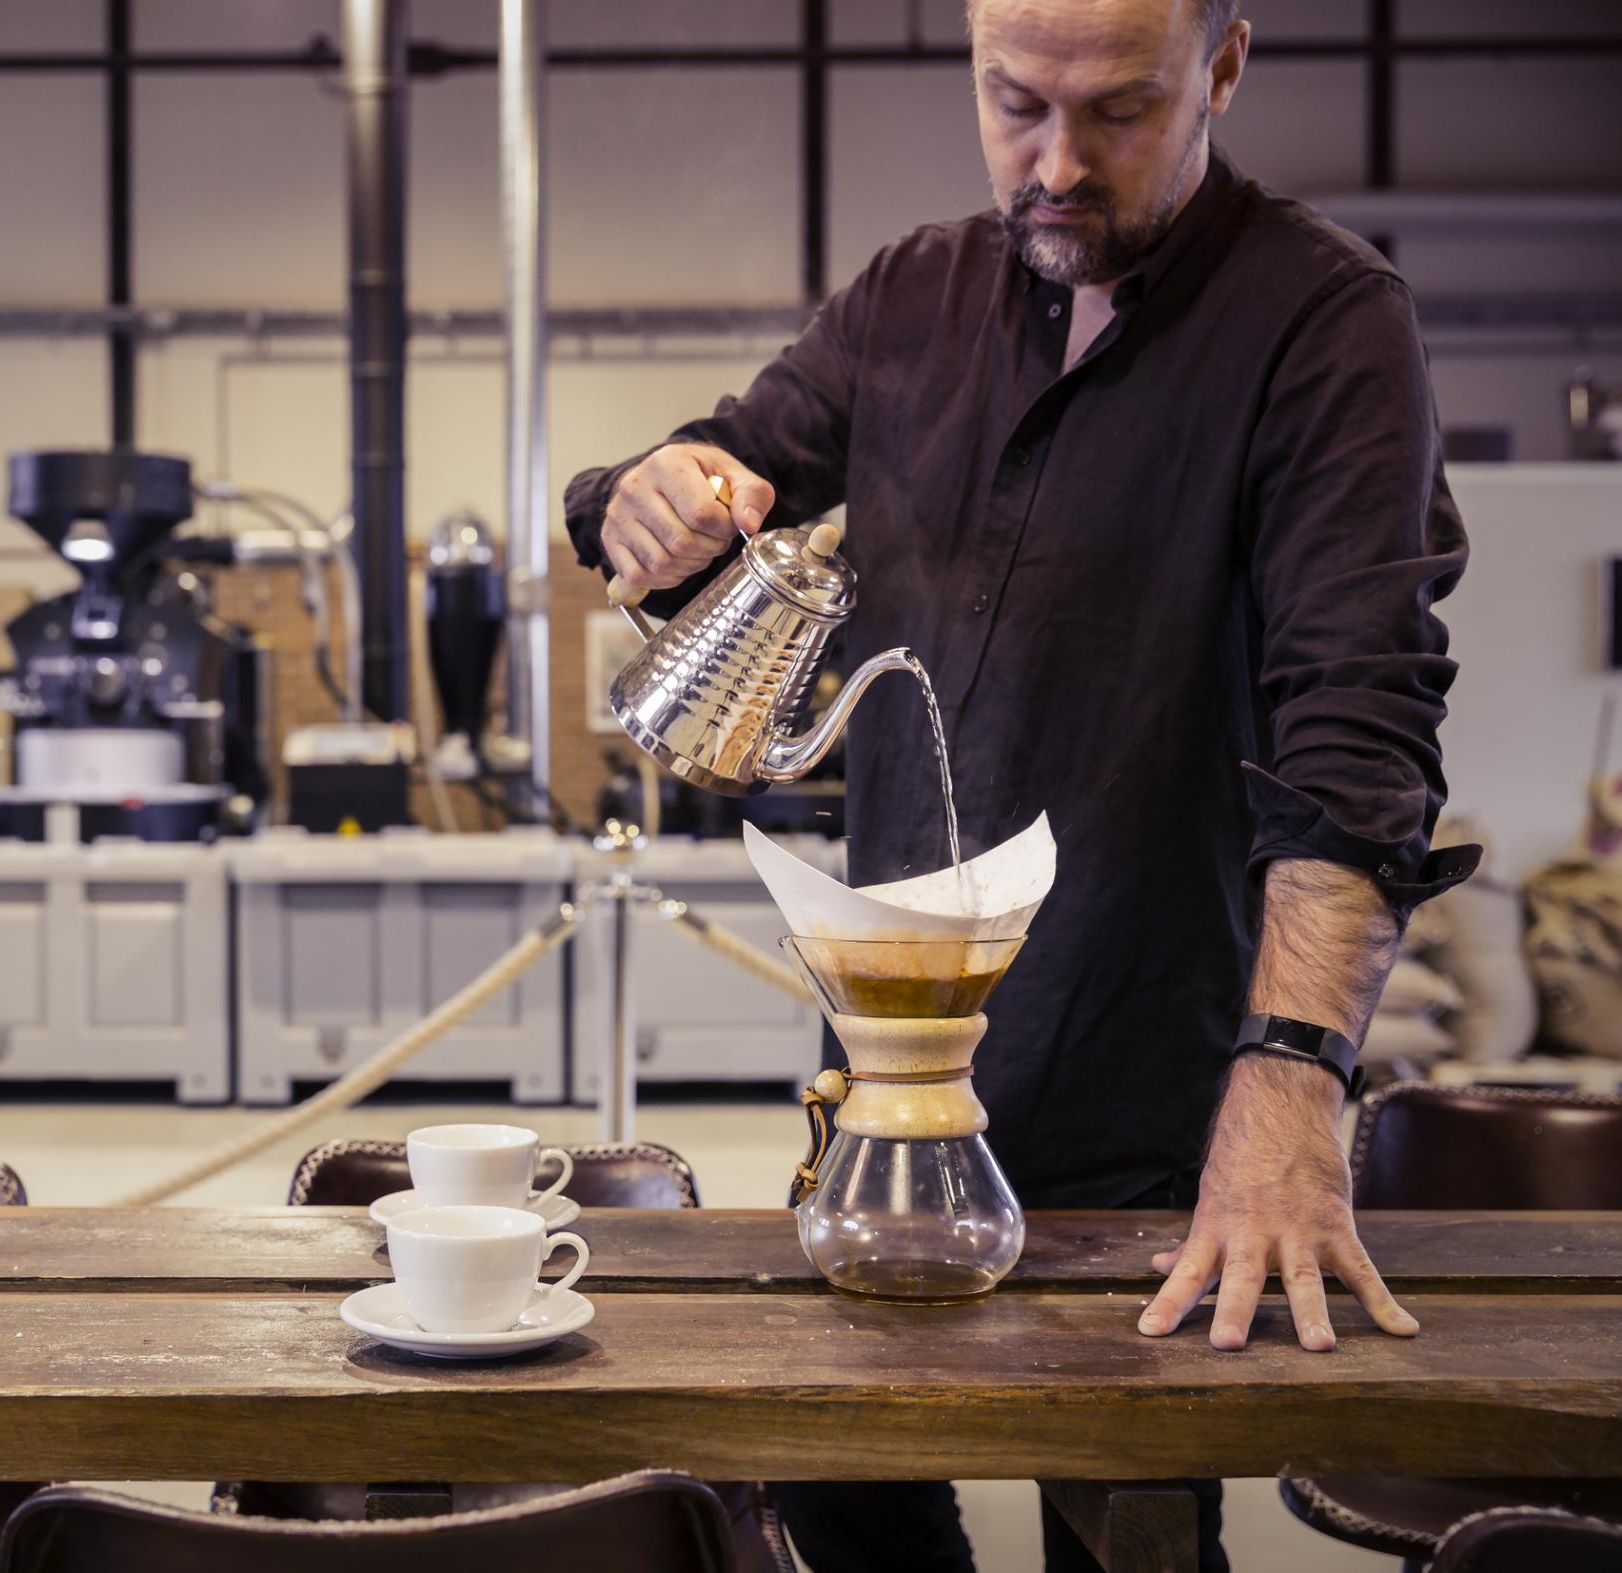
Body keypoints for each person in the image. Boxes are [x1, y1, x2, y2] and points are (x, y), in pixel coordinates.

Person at [562, 0, 1478, 1568]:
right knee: (848, 1485)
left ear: (1225, 67)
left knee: (1123, 1517)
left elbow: (1358, 732)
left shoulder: (1323, 324)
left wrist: (1290, 1082)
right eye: (1013, 104)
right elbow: (733, 456)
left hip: (1153, 1076)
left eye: (1118, 112)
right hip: (891, 1067)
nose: (1055, 166)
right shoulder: (913, 296)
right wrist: (635, 498)